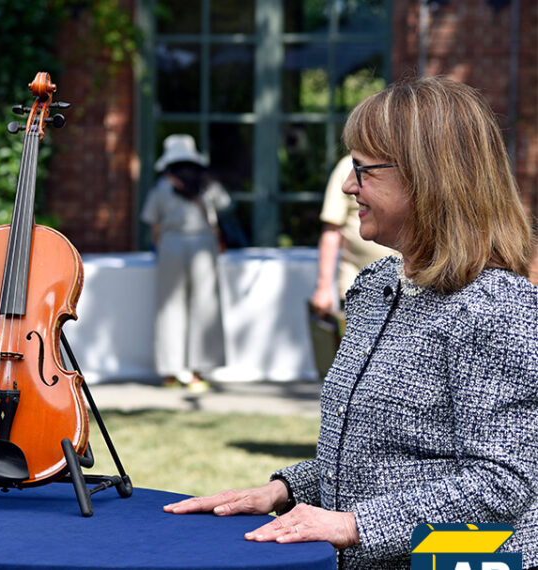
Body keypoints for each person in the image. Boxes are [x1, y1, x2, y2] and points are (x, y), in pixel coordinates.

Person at [163, 76, 538, 569]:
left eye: (363, 170)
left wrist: (351, 525)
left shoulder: (499, 308)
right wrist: (283, 489)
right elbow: (384, 454)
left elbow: (501, 483)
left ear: (429, 177)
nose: (346, 185)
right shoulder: (377, 285)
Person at [141, 134, 230, 393]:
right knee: (205, 304)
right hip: (203, 243)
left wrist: (161, 246)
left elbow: (154, 225)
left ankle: (170, 371)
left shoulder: (161, 186)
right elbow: (223, 210)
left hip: (171, 244)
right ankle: (196, 371)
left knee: (169, 306)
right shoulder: (207, 185)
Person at [309, 154, 395, 319]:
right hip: (357, 288)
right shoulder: (345, 167)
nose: (349, 187)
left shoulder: (404, 162)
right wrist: (323, 287)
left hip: (405, 289)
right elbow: (331, 231)